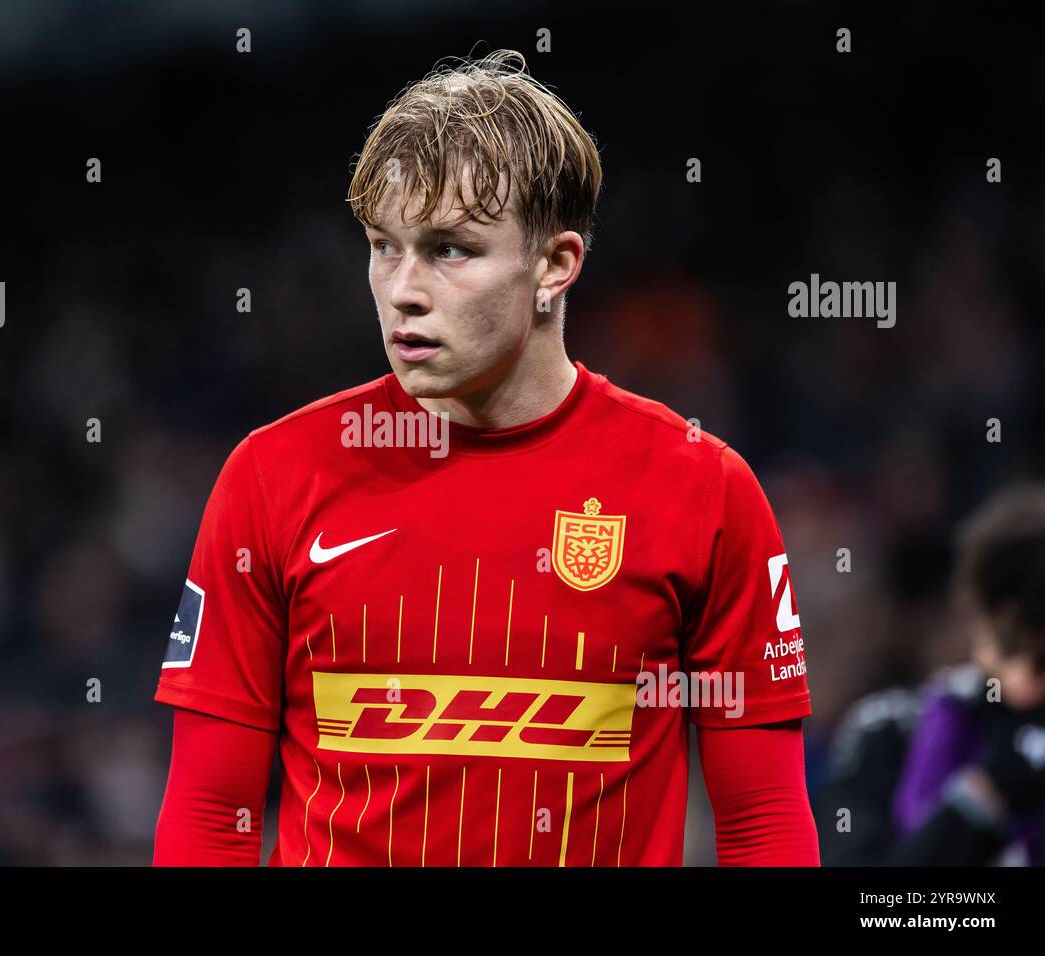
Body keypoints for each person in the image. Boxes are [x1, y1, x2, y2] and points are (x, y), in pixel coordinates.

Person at [153, 49, 817, 866]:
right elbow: (209, 812)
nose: (402, 288)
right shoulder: (271, 476)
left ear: (555, 265)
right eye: (382, 245)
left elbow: (763, 822)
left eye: (450, 250)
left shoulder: (704, 490)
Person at [818, 484, 1045, 865]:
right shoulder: (890, 736)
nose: (1029, 682)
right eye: (1016, 648)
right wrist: (982, 796)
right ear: (982, 624)